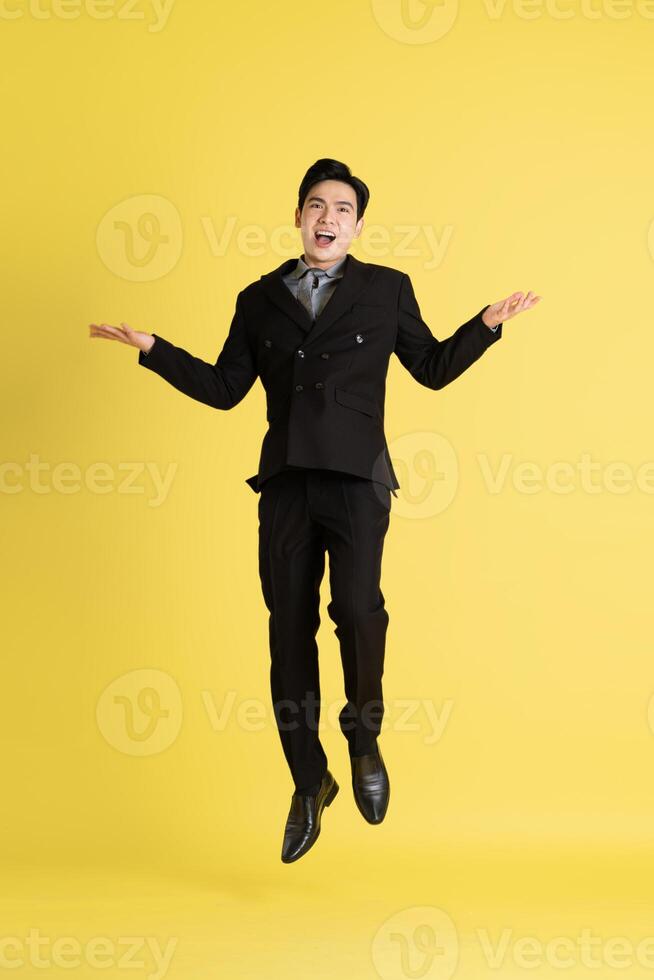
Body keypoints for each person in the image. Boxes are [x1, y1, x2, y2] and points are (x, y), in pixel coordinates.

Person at [89, 158, 541, 863]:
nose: (327, 218)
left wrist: (484, 325)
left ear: (358, 225)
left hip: (359, 481)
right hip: (288, 486)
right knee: (288, 632)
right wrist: (154, 351)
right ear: (298, 216)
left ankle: (363, 741)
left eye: (341, 209)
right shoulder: (258, 298)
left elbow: (433, 369)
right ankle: (310, 781)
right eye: (315, 206)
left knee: (360, 613)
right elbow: (224, 387)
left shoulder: (387, 289)